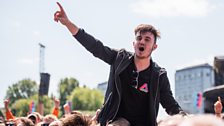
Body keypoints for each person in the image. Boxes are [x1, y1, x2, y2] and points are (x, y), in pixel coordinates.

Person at [54, 2, 186, 126]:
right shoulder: (120, 58)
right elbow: (94, 46)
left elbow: (171, 105)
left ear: (154, 47)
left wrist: (187, 120)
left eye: (147, 40)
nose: (142, 42)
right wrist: (68, 24)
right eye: (139, 38)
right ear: (133, 44)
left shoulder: (159, 75)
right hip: (116, 120)